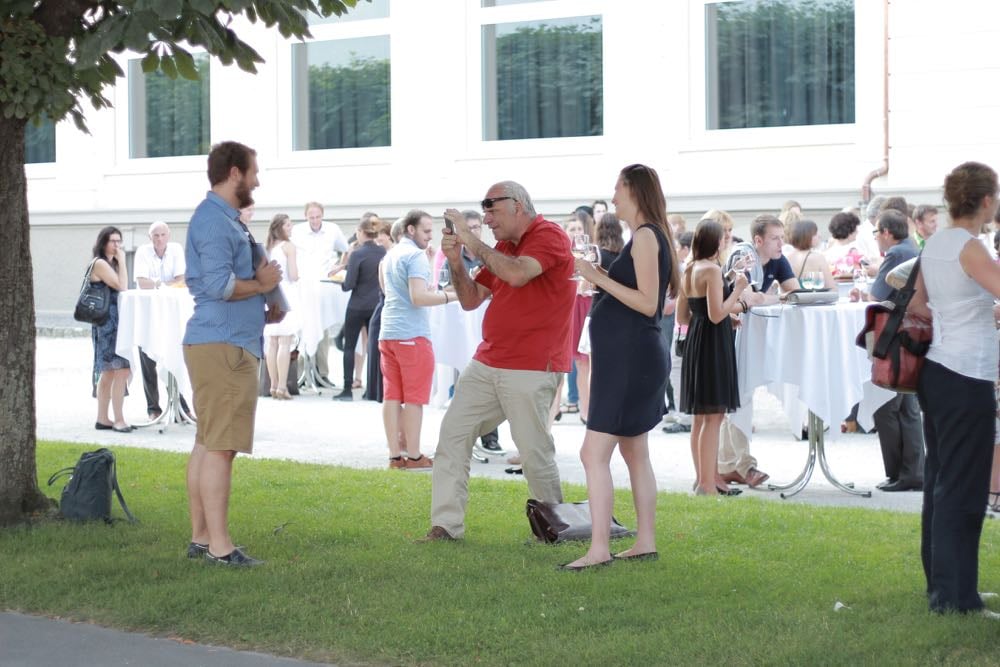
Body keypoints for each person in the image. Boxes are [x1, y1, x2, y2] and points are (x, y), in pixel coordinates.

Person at [421, 181, 575, 541]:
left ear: (518, 205)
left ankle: (554, 528)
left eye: (492, 209)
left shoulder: (548, 234)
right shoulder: (503, 247)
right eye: (484, 210)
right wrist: (457, 262)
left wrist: (471, 240)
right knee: (453, 435)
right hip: (489, 360)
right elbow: (472, 299)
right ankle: (445, 526)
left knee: (533, 451)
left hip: (533, 364)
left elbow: (518, 273)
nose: (487, 218)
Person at [561, 164, 678, 570]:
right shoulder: (646, 236)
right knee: (634, 451)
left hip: (631, 360)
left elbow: (648, 303)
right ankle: (644, 541)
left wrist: (597, 276)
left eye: (618, 187)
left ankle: (598, 548)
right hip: (630, 357)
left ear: (634, 190)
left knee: (593, 453)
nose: (612, 196)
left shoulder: (646, 237)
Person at [907, 161, 1000, 617]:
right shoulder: (970, 247)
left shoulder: (936, 243)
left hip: (939, 371)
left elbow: (922, 303)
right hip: (967, 374)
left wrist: (967, 312)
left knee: (942, 484)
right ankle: (957, 598)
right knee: (963, 489)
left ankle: (944, 587)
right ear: (986, 200)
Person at [183, 141, 282, 567]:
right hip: (224, 346)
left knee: (208, 443)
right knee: (221, 447)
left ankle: (203, 539)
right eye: (254, 172)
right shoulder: (214, 223)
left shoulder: (225, 220)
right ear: (236, 172)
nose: (257, 180)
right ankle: (220, 548)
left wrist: (266, 298)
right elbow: (219, 286)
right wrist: (261, 287)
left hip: (223, 343)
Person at [851, 209, 924, 492]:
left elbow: (877, 296)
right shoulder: (912, 247)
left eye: (876, 232)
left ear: (885, 233)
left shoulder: (895, 254)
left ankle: (899, 473)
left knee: (887, 406)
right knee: (907, 406)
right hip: (911, 333)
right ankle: (912, 472)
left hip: (895, 335)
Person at [678, 220, 749, 496]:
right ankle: (708, 485)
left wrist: (721, 315)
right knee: (713, 417)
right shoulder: (711, 269)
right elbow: (717, 313)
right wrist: (739, 290)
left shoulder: (690, 268)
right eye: (723, 238)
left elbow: (685, 316)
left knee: (701, 417)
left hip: (697, 341)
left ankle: (701, 480)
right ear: (715, 242)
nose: (726, 241)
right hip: (712, 346)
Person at [379, 210, 451, 469]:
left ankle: (394, 455)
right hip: (412, 334)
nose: (430, 236)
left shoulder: (389, 255)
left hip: (388, 332)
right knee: (414, 399)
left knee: (392, 396)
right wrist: (451, 296)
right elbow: (419, 298)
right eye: (427, 231)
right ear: (411, 230)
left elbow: (388, 291)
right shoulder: (415, 255)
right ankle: (414, 455)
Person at [132, 221, 187, 419]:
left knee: (174, 357)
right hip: (147, 314)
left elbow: (182, 280)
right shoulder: (143, 252)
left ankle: (182, 406)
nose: (160, 239)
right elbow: (141, 282)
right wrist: (166, 284)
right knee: (147, 358)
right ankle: (153, 408)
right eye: (156, 235)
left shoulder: (176, 250)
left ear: (169, 235)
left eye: (163, 234)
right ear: (150, 238)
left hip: (172, 314)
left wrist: (157, 283)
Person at [290, 201, 348, 386]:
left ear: (322, 215)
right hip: (302, 286)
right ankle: (301, 373)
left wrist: (339, 266)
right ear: (306, 216)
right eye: (311, 217)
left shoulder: (332, 229)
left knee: (322, 325)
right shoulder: (297, 231)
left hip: (324, 285)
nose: (315, 221)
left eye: (317, 217)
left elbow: (346, 249)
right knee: (302, 326)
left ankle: (321, 373)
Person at [334, 215, 386, 401]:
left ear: (362, 233)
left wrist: (340, 280)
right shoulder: (383, 253)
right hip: (376, 305)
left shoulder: (357, 254)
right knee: (375, 348)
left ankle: (347, 389)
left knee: (350, 346)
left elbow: (349, 284)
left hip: (357, 305)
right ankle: (374, 389)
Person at [89, 226, 133, 433]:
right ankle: (119, 419)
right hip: (108, 324)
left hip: (112, 322)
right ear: (103, 243)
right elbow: (122, 286)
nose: (117, 245)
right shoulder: (100, 264)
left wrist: (120, 262)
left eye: (119, 241)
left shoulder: (111, 263)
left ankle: (103, 418)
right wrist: (123, 261)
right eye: (112, 241)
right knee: (120, 370)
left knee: (109, 373)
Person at [263, 213, 300, 400]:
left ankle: (273, 384)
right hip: (287, 293)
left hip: (270, 294)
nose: (291, 227)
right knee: (285, 341)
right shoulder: (288, 247)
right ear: (280, 227)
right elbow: (293, 275)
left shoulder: (269, 247)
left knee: (272, 342)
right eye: (287, 225)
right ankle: (282, 387)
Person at [786, 219, 836, 289]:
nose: (819, 236)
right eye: (815, 233)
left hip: (792, 299)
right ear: (807, 236)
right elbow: (832, 289)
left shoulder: (787, 258)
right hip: (813, 299)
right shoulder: (817, 258)